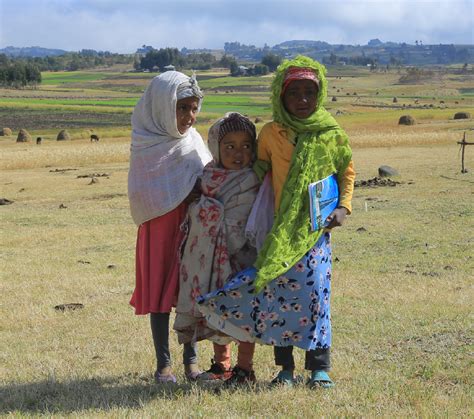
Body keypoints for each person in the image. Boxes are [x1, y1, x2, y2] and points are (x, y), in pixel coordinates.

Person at [197, 56, 355, 388]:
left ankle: (319, 369)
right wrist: (222, 190)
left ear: (319, 94)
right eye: (294, 93)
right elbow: (255, 173)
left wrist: (343, 207)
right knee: (281, 298)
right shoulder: (270, 134)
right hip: (278, 233)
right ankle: (285, 369)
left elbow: (346, 171)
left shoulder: (332, 133)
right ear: (281, 97)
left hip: (315, 233)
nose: (302, 100)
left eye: (309, 93)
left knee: (315, 299)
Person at [128, 71, 213, 383]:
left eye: (193, 108)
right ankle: (163, 365)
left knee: (191, 290)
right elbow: (143, 192)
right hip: (160, 227)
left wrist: (194, 191)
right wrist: (180, 192)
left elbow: (207, 179)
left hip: (193, 226)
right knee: (162, 292)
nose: (189, 116)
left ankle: (192, 362)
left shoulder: (194, 141)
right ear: (163, 107)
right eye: (182, 108)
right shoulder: (146, 142)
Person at [173, 112, 260, 386]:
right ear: (215, 148)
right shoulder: (208, 177)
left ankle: (244, 369)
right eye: (230, 146)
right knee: (217, 310)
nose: (238, 153)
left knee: (244, 313)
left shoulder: (253, 179)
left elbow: (251, 218)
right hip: (211, 262)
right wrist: (204, 210)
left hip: (244, 259)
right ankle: (221, 365)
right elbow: (195, 213)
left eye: (246, 146)